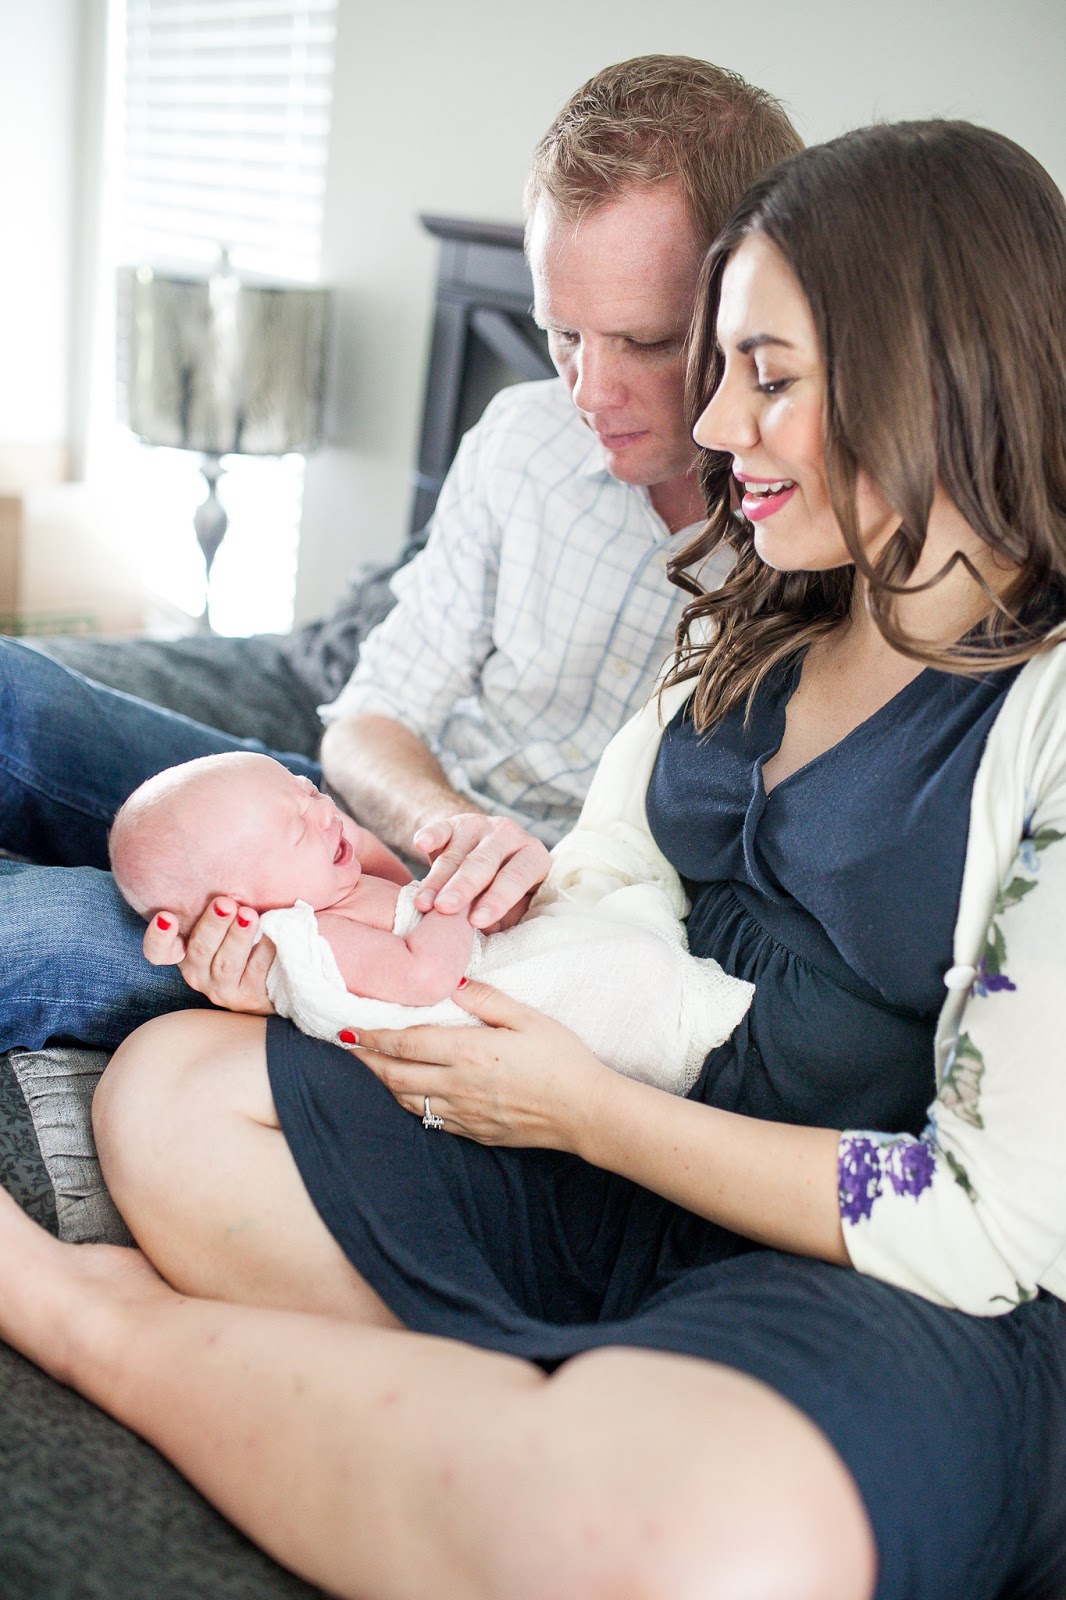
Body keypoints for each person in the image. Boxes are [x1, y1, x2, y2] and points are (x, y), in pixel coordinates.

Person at [3, 117, 1065, 1600]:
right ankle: (523, 1414)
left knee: (672, 1551)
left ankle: (84, 1316)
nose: (708, 427)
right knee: (165, 1094)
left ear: (938, 372)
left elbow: (997, 1219)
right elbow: (609, 885)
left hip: (861, 1253)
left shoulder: (1042, 714)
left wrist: (578, 1110)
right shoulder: (769, 613)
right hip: (606, 1130)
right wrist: (407, 923)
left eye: (763, 377)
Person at [0, 55, 802, 1055]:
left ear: (749, 305)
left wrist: (494, 886)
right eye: (560, 334)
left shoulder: (811, 544)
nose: (588, 392)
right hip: (362, 838)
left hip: (507, 938)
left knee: (43, 937)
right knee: (11, 694)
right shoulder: (521, 436)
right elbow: (370, 720)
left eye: (641, 341)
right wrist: (441, 830)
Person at [109, 751, 752, 1090]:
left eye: (307, 790)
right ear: (244, 908)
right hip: (495, 1003)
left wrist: (390, 870)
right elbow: (422, 978)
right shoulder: (308, 936)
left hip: (499, 960)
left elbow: (393, 898)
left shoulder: (327, 889)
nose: (324, 814)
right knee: (624, 968)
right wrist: (449, 895)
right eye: (294, 828)